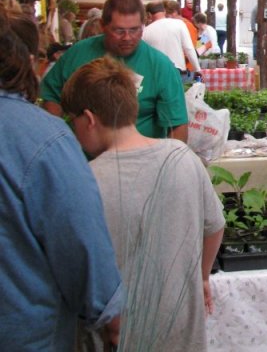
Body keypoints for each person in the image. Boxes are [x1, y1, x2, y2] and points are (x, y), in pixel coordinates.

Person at [62, 57, 224, 351]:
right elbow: (214, 226)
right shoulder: (183, 157)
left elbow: (83, 270)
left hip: (120, 338)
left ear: (89, 119)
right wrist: (202, 277)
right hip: (182, 335)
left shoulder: (86, 181)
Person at [0, 7, 123, 350]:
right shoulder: (43, 139)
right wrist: (109, 315)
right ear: (27, 61)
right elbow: (79, 238)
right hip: (25, 333)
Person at [41, 0, 189, 141]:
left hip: (139, 154)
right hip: (80, 153)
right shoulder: (78, 54)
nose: (127, 37)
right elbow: (51, 96)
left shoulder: (160, 66)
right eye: (119, 31)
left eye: (134, 30)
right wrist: (57, 140)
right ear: (102, 26)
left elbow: (177, 125)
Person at [143, 1, 200, 75]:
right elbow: (189, 48)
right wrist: (197, 69)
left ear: (149, 14)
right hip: (178, 70)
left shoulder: (145, 32)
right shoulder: (179, 24)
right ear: (164, 11)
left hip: (156, 72)